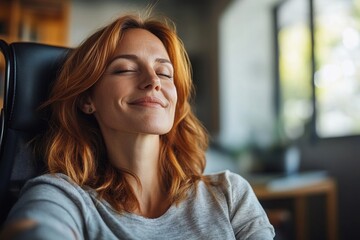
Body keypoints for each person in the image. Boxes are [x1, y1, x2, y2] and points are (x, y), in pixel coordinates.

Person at [0, 13, 275, 240]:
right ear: (86, 99)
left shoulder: (230, 195)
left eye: (164, 73)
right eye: (126, 69)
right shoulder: (61, 198)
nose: (153, 81)